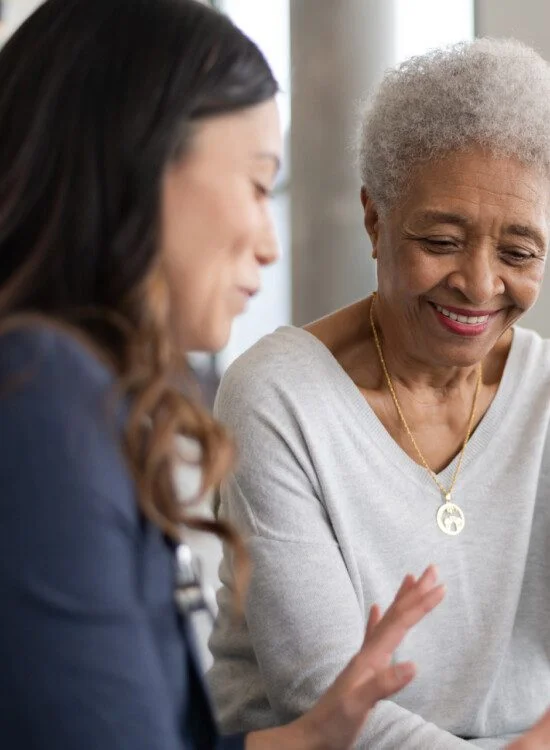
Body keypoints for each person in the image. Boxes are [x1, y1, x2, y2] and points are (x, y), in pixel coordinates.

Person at [0, 1, 454, 749]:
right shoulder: (40, 398)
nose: (271, 246)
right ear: (138, 163)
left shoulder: (75, 396)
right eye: (255, 183)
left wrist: (312, 735)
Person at [208, 38, 550, 749]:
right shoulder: (279, 399)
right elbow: (332, 705)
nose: (481, 286)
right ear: (375, 218)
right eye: (441, 239)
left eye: (518, 253)